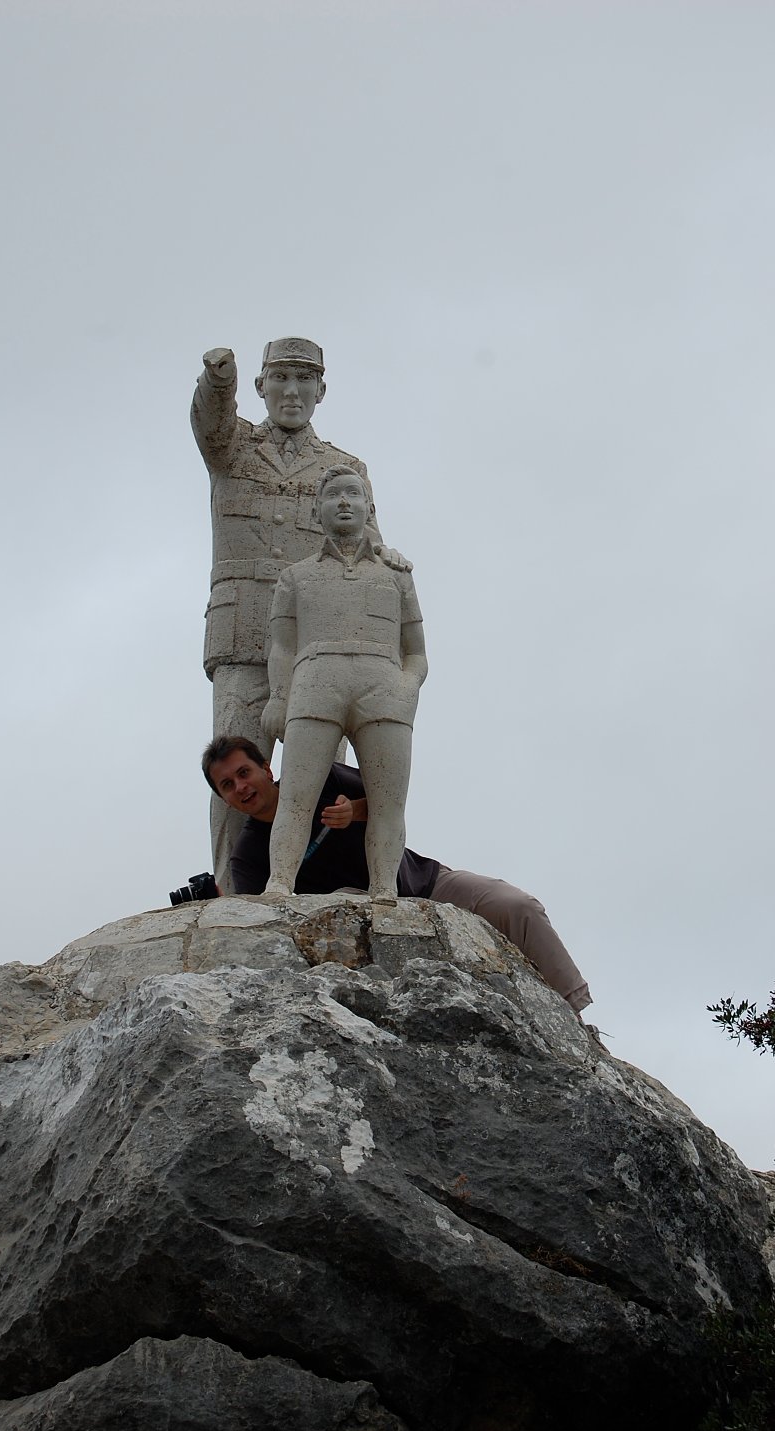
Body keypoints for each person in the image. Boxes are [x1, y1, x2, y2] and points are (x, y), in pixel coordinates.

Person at [191, 335, 409, 891]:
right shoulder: (233, 447)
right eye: (281, 379)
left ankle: (313, 886)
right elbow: (210, 422)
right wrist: (218, 379)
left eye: (304, 380)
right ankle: (230, 890)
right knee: (236, 773)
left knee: (315, 777)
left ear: (321, 391)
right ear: (260, 386)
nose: (292, 391)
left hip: (321, 644)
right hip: (243, 632)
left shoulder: (344, 467)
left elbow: (368, 545)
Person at [201, 736, 593, 1015]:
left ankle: (574, 1013)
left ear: (267, 768)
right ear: (224, 799)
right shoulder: (248, 856)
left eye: (244, 772)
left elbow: (390, 797)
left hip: (422, 882)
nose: (241, 786)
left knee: (517, 905)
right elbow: (265, 922)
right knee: (344, 896)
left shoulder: (321, 778)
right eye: (228, 785)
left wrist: (354, 811)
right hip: (358, 920)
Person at [261, 464, 427, 905]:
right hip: (316, 681)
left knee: (389, 802)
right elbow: (282, 647)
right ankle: (279, 882)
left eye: (353, 494)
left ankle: (384, 888)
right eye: (333, 495)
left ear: (370, 507)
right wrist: (279, 695)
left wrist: (406, 688)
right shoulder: (295, 576)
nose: (343, 503)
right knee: (296, 795)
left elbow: (416, 651)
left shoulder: (396, 574)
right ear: (316, 510)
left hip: (382, 686)